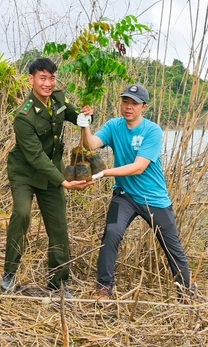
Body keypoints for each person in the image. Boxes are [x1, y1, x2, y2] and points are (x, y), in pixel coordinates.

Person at [80, 84, 193, 301]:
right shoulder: (114, 125)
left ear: (144, 107)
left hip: (155, 198)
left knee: (172, 247)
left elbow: (139, 166)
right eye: (125, 101)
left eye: (134, 103)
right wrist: (85, 125)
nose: (128, 107)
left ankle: (186, 292)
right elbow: (92, 144)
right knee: (112, 232)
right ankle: (104, 287)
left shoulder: (152, 131)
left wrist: (103, 173)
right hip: (125, 194)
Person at [2, 58, 93, 297]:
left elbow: (72, 113)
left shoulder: (58, 99)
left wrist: (85, 116)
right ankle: (9, 274)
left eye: (52, 78)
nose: (48, 83)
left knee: (58, 226)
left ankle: (59, 283)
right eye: (42, 78)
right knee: (21, 214)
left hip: (51, 172)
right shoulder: (24, 116)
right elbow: (35, 157)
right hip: (25, 172)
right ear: (31, 79)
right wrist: (63, 180)